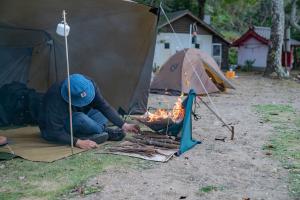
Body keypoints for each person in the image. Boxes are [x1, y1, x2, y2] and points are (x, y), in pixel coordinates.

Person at [38, 74, 140, 150]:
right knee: (80, 118)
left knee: (101, 114)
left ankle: (93, 132)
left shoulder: (88, 84)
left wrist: (124, 125)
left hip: (83, 116)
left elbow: (104, 106)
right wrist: (77, 142)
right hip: (59, 127)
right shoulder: (54, 96)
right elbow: (54, 130)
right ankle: (105, 132)